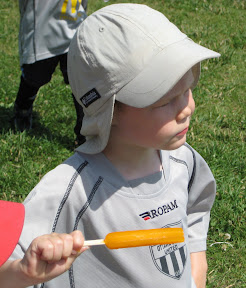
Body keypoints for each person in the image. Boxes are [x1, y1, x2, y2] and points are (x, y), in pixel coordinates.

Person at [0, 3, 220, 288]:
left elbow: (195, 210)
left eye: (188, 89)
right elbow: (8, 266)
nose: (186, 109)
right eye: (165, 101)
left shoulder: (184, 161)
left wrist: (195, 273)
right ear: (109, 111)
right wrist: (23, 272)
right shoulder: (69, 190)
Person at [13, 0, 88, 145]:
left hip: (73, 27)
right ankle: (23, 107)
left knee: (81, 80)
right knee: (35, 76)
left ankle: (85, 133)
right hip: (43, 31)